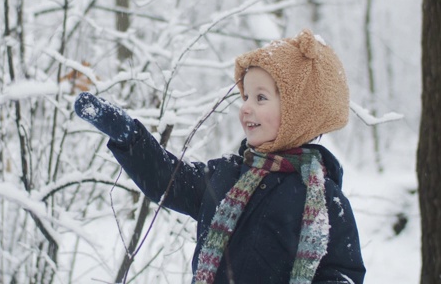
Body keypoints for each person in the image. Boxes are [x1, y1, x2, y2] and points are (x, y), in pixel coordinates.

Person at [74, 29, 366, 284]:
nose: (246, 108)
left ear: (299, 112)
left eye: (260, 98)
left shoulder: (326, 201)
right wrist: (129, 137)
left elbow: (342, 272)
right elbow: (168, 179)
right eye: (245, 97)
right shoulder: (225, 176)